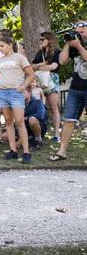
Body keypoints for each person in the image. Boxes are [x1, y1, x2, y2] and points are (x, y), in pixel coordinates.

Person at [0, 36, 36, 163]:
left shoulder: (20, 58)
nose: (0, 49)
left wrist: (23, 86)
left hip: (16, 93)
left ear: (10, 44)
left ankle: (27, 152)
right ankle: (13, 151)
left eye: (2, 46)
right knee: (8, 121)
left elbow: (31, 74)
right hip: (3, 93)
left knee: (20, 122)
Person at [49, 20, 87, 161]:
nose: (80, 35)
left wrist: (78, 45)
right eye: (77, 33)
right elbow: (62, 61)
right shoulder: (74, 44)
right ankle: (62, 151)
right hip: (76, 89)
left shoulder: (81, 45)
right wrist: (68, 42)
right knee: (68, 120)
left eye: (82, 32)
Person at [31, 32, 61, 142]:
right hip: (39, 82)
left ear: (49, 40)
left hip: (52, 81)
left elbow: (54, 66)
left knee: (54, 108)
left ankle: (57, 134)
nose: (41, 41)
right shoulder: (40, 53)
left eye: (42, 39)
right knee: (39, 107)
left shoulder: (57, 52)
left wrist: (39, 66)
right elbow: (32, 67)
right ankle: (40, 132)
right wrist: (42, 65)